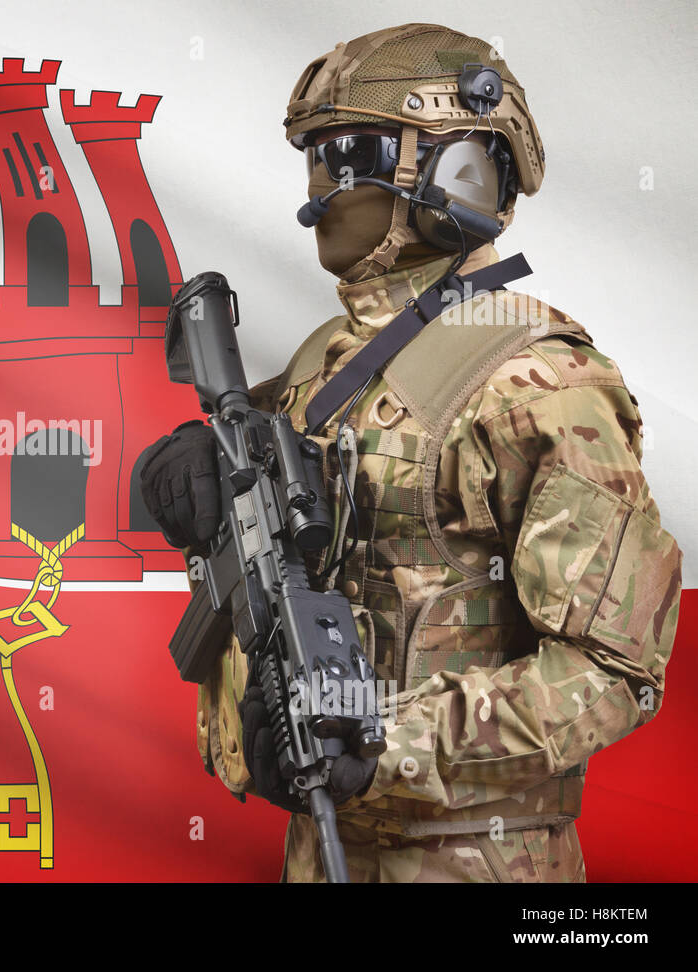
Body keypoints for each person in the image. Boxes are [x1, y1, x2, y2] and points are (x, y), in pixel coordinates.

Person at [137, 23, 683, 882]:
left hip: (477, 864)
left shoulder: (540, 381)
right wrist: (182, 469)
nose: (321, 185)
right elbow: (250, 475)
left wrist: (383, 738)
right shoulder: (331, 356)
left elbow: (613, 669)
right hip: (320, 849)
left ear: (453, 169)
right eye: (315, 155)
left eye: (347, 150)